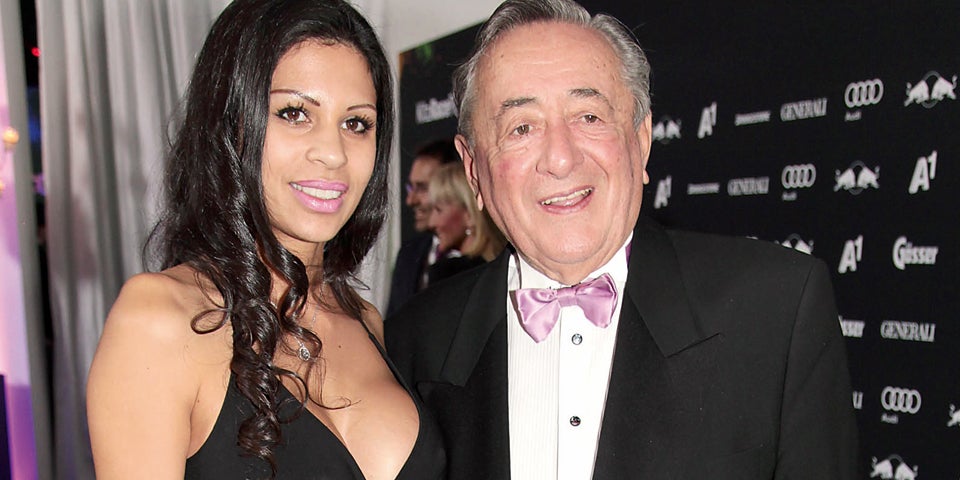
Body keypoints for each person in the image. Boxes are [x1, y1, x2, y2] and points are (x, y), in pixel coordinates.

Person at [385, 0, 858, 479]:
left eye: (589, 117)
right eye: (521, 128)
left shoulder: (775, 310)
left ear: (642, 138)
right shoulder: (416, 342)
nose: (561, 158)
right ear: (473, 170)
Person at [85, 1, 444, 479]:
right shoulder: (159, 318)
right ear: (231, 125)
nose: (333, 153)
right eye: (295, 113)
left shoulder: (365, 321)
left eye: (356, 123)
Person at [386, 138, 460, 315]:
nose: (410, 200)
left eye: (422, 188)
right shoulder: (408, 255)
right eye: (411, 188)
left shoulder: (487, 261)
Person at [425, 163, 507, 285]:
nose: (431, 223)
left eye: (438, 210)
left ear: (470, 215)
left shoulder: (448, 274)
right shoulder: (506, 268)